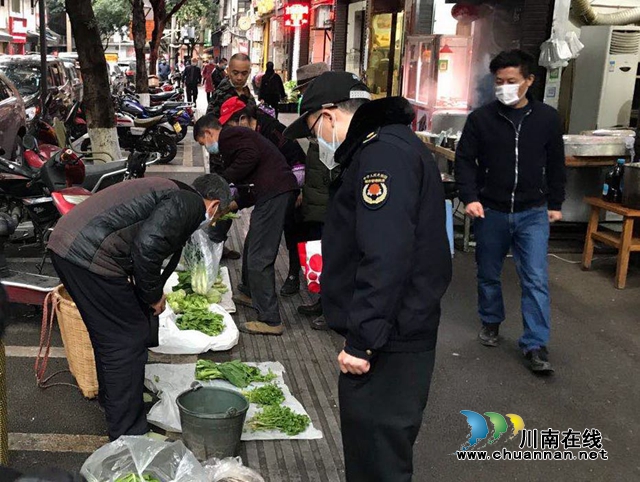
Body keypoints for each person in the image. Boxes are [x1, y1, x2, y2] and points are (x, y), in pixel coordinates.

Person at [284, 72, 452, 481]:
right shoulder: (388, 146)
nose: (318, 140)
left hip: (390, 338)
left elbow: (386, 255)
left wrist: (361, 341)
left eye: (313, 129)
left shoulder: (381, 156)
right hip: (394, 329)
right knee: (373, 451)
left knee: (377, 455)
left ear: (328, 116)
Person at [47, 175, 231, 440]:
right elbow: (148, 246)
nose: (211, 221)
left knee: (111, 337)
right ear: (213, 205)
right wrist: (153, 295)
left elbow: (141, 240)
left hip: (71, 246)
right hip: (90, 255)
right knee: (127, 339)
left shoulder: (173, 188)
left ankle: (115, 403)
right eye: (215, 216)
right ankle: (127, 431)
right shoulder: (189, 203)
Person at [454, 49, 566, 374]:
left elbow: (556, 164)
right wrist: (470, 196)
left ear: (529, 81)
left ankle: (535, 344)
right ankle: (491, 321)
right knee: (488, 273)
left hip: (534, 211)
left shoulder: (547, 118)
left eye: (512, 81)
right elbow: (464, 160)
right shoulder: (481, 119)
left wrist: (556, 203)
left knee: (535, 278)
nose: (504, 87)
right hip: (491, 210)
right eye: (499, 81)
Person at [194, 114, 298, 335]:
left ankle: (270, 320)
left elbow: (249, 159)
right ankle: (249, 291)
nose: (207, 148)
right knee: (252, 245)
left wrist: (221, 182)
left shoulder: (229, 136)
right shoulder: (237, 140)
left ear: (208, 133)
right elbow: (250, 183)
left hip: (275, 193)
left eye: (204, 144)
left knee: (260, 255)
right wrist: (230, 206)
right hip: (272, 192)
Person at [219, 96, 306, 296]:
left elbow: (296, 157)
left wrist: (296, 188)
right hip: (268, 191)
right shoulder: (245, 138)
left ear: (243, 119)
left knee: (286, 235)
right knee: (256, 242)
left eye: (230, 125)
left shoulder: (272, 130)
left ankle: (292, 276)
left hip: (287, 187)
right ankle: (250, 289)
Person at [289, 62, 331, 329]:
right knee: (317, 250)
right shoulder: (315, 113)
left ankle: (331, 309)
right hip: (316, 195)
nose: (303, 94)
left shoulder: (333, 118)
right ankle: (320, 300)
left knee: (333, 255)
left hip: (329, 201)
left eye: (306, 88)